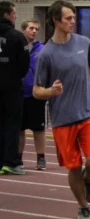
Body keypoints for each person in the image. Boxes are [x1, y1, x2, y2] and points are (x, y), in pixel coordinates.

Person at [34, 0, 90, 219]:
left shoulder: (84, 42)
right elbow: (37, 91)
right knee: (73, 166)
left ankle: (89, 178)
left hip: (87, 112)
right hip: (63, 118)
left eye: (74, 17)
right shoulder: (46, 54)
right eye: (68, 18)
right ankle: (83, 207)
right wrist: (51, 91)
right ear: (56, 21)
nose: (72, 21)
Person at [0, 1, 30, 175]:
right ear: (6, 15)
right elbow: (24, 64)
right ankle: (10, 161)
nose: (16, 16)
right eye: (14, 13)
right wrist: (14, 76)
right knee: (12, 124)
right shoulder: (17, 36)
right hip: (11, 87)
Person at [19, 18, 47, 171]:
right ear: (23, 30)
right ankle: (17, 158)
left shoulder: (42, 49)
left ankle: (41, 157)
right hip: (18, 93)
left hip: (36, 94)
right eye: (31, 28)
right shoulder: (17, 47)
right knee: (19, 128)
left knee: (38, 128)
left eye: (36, 29)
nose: (34, 31)